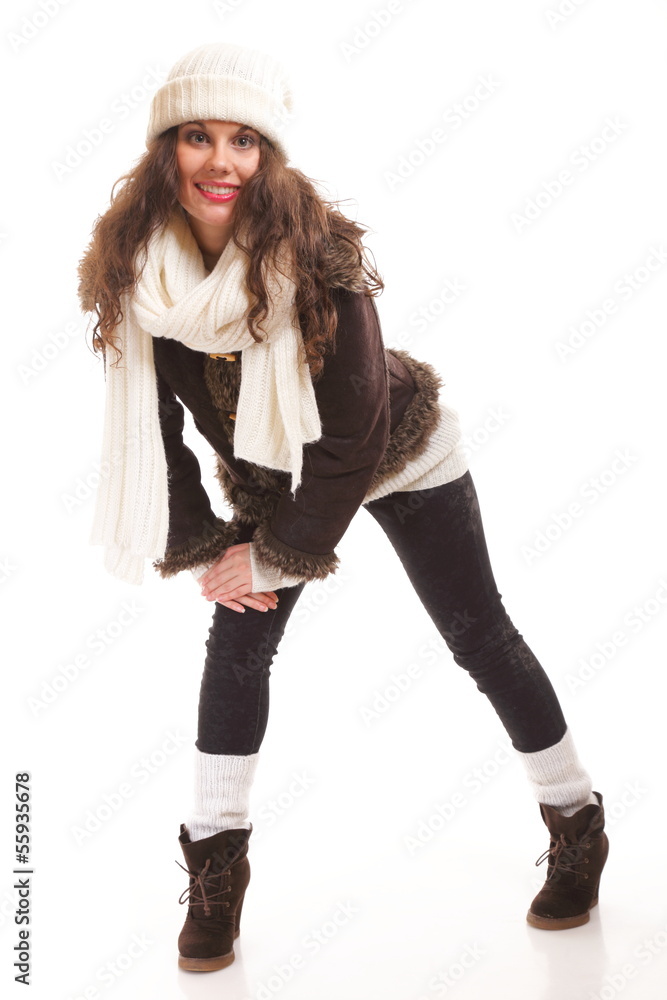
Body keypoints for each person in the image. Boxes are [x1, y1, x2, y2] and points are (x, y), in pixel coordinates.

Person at [77, 41, 609, 973]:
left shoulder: (319, 250)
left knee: (478, 635)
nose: (221, 161)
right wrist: (203, 544)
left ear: (268, 153)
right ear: (165, 149)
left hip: (395, 450)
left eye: (244, 140)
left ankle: (576, 822)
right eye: (197, 136)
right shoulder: (137, 268)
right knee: (237, 646)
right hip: (274, 474)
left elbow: (355, 430)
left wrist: (278, 551)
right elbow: (152, 426)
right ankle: (216, 867)